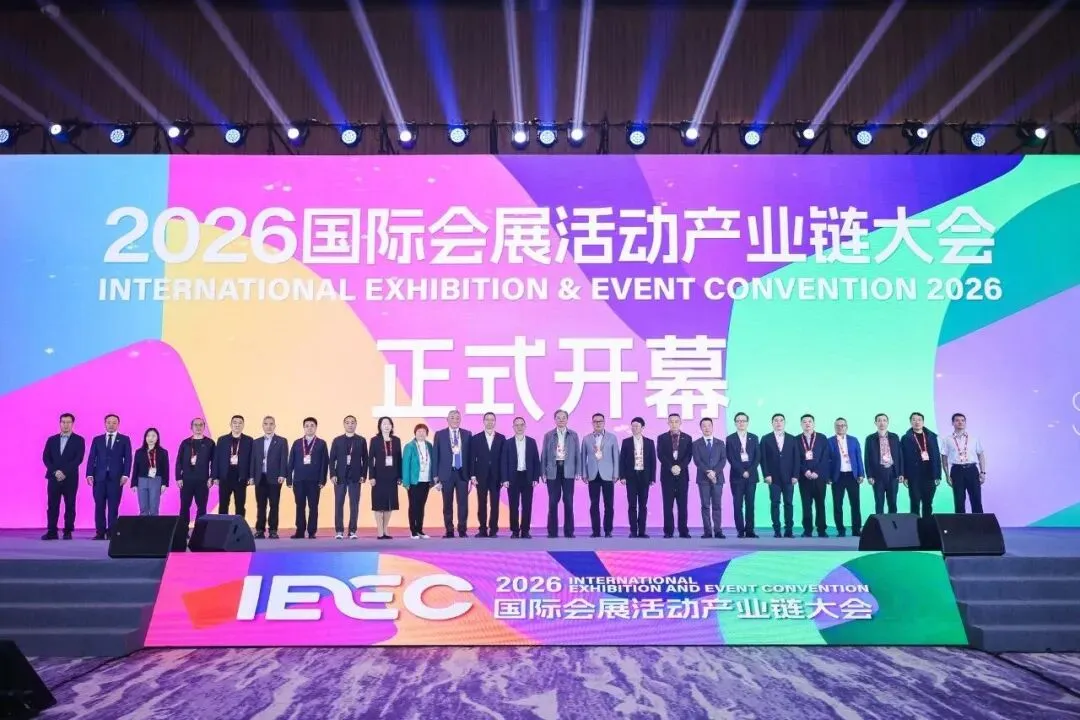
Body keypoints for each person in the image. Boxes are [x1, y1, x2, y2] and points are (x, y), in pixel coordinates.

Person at [86, 413, 132, 540]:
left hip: (116, 479)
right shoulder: (97, 439)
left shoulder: (124, 439)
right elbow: (91, 457)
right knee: (99, 506)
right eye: (109, 422)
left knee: (113, 506)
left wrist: (126, 474)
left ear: (118, 424)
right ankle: (100, 532)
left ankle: (112, 532)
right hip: (99, 478)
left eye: (114, 423)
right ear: (105, 424)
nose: (111, 425)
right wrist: (89, 474)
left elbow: (128, 458)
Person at [41, 412, 85, 540]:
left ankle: (68, 531)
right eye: (63, 422)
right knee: (52, 505)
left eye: (68, 422)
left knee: (70, 504)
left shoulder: (79, 440)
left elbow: (78, 459)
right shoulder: (52, 440)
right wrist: (55, 472)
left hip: (70, 478)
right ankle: (52, 531)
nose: (66, 425)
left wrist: (64, 472)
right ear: (60, 423)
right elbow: (46, 457)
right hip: (53, 477)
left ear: (72, 424)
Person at [541, 409, 581, 538]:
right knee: (553, 502)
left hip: (568, 470)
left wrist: (578, 471)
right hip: (553, 471)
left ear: (567, 419)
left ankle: (569, 531)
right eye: (558, 418)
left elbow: (577, 454)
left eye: (564, 417)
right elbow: (544, 454)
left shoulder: (573, 435)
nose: (561, 420)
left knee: (568, 501)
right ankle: (552, 532)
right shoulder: (548, 435)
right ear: (555, 420)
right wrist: (543, 472)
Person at [432, 410, 472, 538]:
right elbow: (435, 455)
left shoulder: (467, 434)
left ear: (460, 420)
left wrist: (472, 475)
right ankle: (449, 530)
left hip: (462, 474)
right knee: (447, 504)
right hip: (446, 474)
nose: (455, 420)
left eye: (457, 418)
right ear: (447, 420)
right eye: (452, 418)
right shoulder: (440, 434)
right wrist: (435, 476)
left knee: (463, 504)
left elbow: (470, 457)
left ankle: (462, 529)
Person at [288, 417, 329, 539]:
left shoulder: (321, 443)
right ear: (303, 428)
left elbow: (324, 463)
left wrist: (322, 480)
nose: (309, 428)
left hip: (314, 481)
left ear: (316, 427)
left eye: (312, 425)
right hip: (299, 480)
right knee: (299, 506)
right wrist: (289, 479)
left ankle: (312, 531)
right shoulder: (297, 443)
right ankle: (300, 531)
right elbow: (291, 462)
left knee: (313, 506)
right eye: (307, 426)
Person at [500, 416, 541, 539]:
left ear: (525, 426)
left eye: (521, 424)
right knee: (513, 505)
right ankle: (515, 531)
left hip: (527, 477)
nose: (519, 427)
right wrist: (504, 479)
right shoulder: (508, 443)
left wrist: (536, 478)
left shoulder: (531, 442)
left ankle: (525, 531)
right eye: (517, 425)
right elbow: (504, 462)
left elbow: (536, 461)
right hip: (513, 477)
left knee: (527, 505)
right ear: (513, 427)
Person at [760, 413, 798, 538]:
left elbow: (796, 458)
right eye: (776, 420)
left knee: (788, 504)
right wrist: (766, 474)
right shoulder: (766, 439)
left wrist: (795, 475)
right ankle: (777, 530)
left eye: (781, 420)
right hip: (773, 478)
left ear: (784, 423)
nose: (778, 423)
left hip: (789, 478)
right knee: (775, 503)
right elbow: (763, 459)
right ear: (772, 423)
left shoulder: (792, 439)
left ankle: (789, 530)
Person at [330, 415, 368, 539]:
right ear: (344, 424)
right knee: (338, 504)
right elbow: (332, 459)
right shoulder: (337, 440)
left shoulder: (361, 440)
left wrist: (363, 475)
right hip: (340, 476)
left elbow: (365, 459)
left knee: (354, 504)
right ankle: (339, 531)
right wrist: (332, 474)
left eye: (352, 422)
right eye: (347, 422)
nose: (350, 425)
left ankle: (352, 531)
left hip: (355, 476)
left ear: (356, 424)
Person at [581, 412, 619, 538]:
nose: (598, 423)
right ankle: (596, 531)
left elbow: (616, 456)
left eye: (600, 421)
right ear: (592, 423)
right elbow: (583, 457)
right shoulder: (586, 438)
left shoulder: (612, 437)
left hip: (608, 474)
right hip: (592, 475)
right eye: (595, 421)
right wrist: (584, 473)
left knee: (609, 504)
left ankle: (608, 530)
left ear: (604, 422)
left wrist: (616, 473)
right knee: (594, 504)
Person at [250, 416, 289, 539]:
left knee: (274, 505)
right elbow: (253, 460)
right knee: (261, 505)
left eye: (271, 424)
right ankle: (260, 530)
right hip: (260, 477)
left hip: (275, 478)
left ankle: (273, 530)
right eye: (266, 424)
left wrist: (282, 474)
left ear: (275, 426)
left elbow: (284, 459)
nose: (268, 426)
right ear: (263, 426)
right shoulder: (256, 442)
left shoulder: (282, 441)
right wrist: (251, 476)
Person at [176, 417, 214, 535]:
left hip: (203, 480)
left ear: (204, 427)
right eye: (195, 425)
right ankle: (183, 531)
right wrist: (178, 477)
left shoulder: (210, 443)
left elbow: (214, 462)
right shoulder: (185, 443)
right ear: (191, 427)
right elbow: (179, 461)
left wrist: (211, 477)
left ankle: (199, 532)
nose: (198, 427)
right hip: (186, 480)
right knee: (184, 506)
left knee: (202, 507)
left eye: (201, 425)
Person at [657, 413, 693, 539]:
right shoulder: (662, 438)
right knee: (668, 505)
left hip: (682, 475)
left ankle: (683, 531)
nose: (674, 424)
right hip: (667, 475)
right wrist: (671, 467)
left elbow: (689, 456)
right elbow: (660, 455)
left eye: (676, 421)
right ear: (668, 423)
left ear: (680, 422)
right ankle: (668, 531)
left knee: (682, 505)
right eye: (671, 421)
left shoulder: (687, 438)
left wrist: (679, 467)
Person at [469, 412, 505, 537]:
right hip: (481, 476)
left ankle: (493, 529)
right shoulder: (476, 438)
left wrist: (503, 477)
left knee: (495, 504)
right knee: (482, 503)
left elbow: (503, 459)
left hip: (496, 476)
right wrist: (472, 475)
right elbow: (472, 458)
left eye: (492, 420)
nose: (490, 422)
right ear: (483, 421)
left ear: (495, 422)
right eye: (487, 419)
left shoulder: (501, 438)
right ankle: (482, 529)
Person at [900, 412, 942, 518]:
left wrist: (937, 475)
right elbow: (902, 458)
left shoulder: (931, 436)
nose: (917, 422)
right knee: (915, 502)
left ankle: (926, 525)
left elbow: (937, 456)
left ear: (923, 422)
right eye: (914, 420)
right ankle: (915, 525)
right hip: (914, 475)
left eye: (919, 420)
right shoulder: (906, 438)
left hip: (929, 474)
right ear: (910, 422)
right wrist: (905, 475)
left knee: (928, 503)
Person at [943, 412, 987, 513]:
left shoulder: (973, 438)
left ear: (965, 423)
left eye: (963, 420)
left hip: (972, 470)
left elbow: (981, 455)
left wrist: (983, 472)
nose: (960, 422)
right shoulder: (947, 440)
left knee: (976, 499)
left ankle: (978, 522)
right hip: (956, 471)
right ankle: (960, 523)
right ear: (953, 423)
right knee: (959, 501)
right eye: (957, 420)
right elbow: (944, 458)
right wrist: (947, 475)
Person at [619, 417, 655, 538]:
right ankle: (633, 531)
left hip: (644, 477)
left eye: (637, 426)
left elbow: (653, 461)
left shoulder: (649, 442)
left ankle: (642, 531)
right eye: (633, 426)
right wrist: (622, 476)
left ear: (642, 428)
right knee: (632, 505)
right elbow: (622, 460)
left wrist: (652, 478)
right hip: (631, 477)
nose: (634, 428)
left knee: (643, 505)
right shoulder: (626, 442)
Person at [828, 418, 865, 538]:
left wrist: (861, 474)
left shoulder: (853, 440)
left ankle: (856, 529)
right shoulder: (829, 441)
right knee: (837, 505)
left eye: (843, 425)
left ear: (846, 427)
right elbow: (827, 460)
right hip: (837, 477)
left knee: (855, 504)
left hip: (852, 476)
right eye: (838, 426)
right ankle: (840, 529)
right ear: (835, 427)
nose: (840, 427)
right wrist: (828, 476)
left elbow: (859, 457)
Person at [725, 412, 760, 539]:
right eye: (738, 421)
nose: (741, 423)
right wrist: (742, 471)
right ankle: (740, 530)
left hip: (751, 476)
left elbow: (757, 457)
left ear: (747, 423)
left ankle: (750, 530)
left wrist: (749, 471)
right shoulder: (730, 438)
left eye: (743, 421)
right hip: (736, 477)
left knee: (750, 504)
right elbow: (730, 457)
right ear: (735, 423)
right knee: (737, 505)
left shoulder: (754, 437)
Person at [796, 414, 831, 538]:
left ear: (814, 423)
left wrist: (817, 471)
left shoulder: (822, 438)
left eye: (810, 421)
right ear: (801, 424)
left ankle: (821, 529)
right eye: (804, 422)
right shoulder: (796, 439)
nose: (807, 424)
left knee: (820, 504)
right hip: (804, 477)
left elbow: (825, 457)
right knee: (806, 505)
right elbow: (796, 459)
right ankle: (807, 530)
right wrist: (805, 471)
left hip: (819, 477)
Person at [213, 415, 253, 519]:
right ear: (230, 424)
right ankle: (222, 526)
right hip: (225, 476)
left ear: (243, 425)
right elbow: (216, 458)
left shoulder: (249, 440)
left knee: (240, 505)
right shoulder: (222, 440)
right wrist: (215, 476)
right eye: (235, 422)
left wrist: (250, 476)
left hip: (241, 476)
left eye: (240, 423)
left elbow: (251, 460)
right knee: (223, 504)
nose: (237, 425)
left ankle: (238, 527)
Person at [693, 417, 727, 539]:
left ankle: (718, 531)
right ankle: (707, 531)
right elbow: (697, 461)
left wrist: (714, 472)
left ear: (712, 427)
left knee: (717, 505)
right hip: (703, 479)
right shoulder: (696, 444)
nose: (707, 428)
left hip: (718, 479)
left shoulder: (720, 443)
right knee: (705, 506)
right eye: (704, 426)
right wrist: (708, 472)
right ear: (701, 428)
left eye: (709, 425)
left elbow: (723, 460)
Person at [369, 416, 402, 539]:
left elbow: (399, 459)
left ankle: (385, 530)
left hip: (392, 476)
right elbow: (370, 459)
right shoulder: (375, 440)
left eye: (389, 424)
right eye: (384, 424)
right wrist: (371, 476)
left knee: (390, 503)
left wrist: (400, 476)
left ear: (392, 426)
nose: (386, 426)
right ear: (380, 426)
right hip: (378, 476)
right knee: (378, 503)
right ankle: (379, 531)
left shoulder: (396, 440)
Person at [865, 413, 904, 517]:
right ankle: (879, 525)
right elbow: (867, 458)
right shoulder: (870, 439)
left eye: (884, 420)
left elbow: (900, 456)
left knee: (893, 502)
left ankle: (893, 524)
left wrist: (901, 473)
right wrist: (869, 475)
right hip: (878, 474)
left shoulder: (894, 437)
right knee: (879, 502)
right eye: (879, 420)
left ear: (887, 422)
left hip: (893, 473)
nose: (882, 423)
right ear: (875, 423)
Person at [402, 422, 434, 539]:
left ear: (427, 433)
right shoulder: (409, 446)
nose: (421, 433)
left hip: (426, 481)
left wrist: (433, 480)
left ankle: (420, 530)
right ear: (415, 433)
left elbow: (432, 462)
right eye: (419, 431)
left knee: (421, 506)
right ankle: (413, 530)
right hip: (414, 481)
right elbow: (405, 465)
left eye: (423, 431)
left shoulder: (429, 445)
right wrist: (406, 482)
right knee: (413, 506)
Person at [132, 428, 169, 516]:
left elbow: (166, 469)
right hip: (142, 480)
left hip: (156, 480)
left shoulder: (163, 452)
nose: (150, 438)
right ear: (145, 438)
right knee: (143, 508)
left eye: (153, 436)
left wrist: (164, 483)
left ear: (157, 438)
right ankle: (143, 525)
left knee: (154, 508)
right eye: (148, 436)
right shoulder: (139, 452)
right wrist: (134, 483)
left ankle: (154, 525)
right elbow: (135, 468)